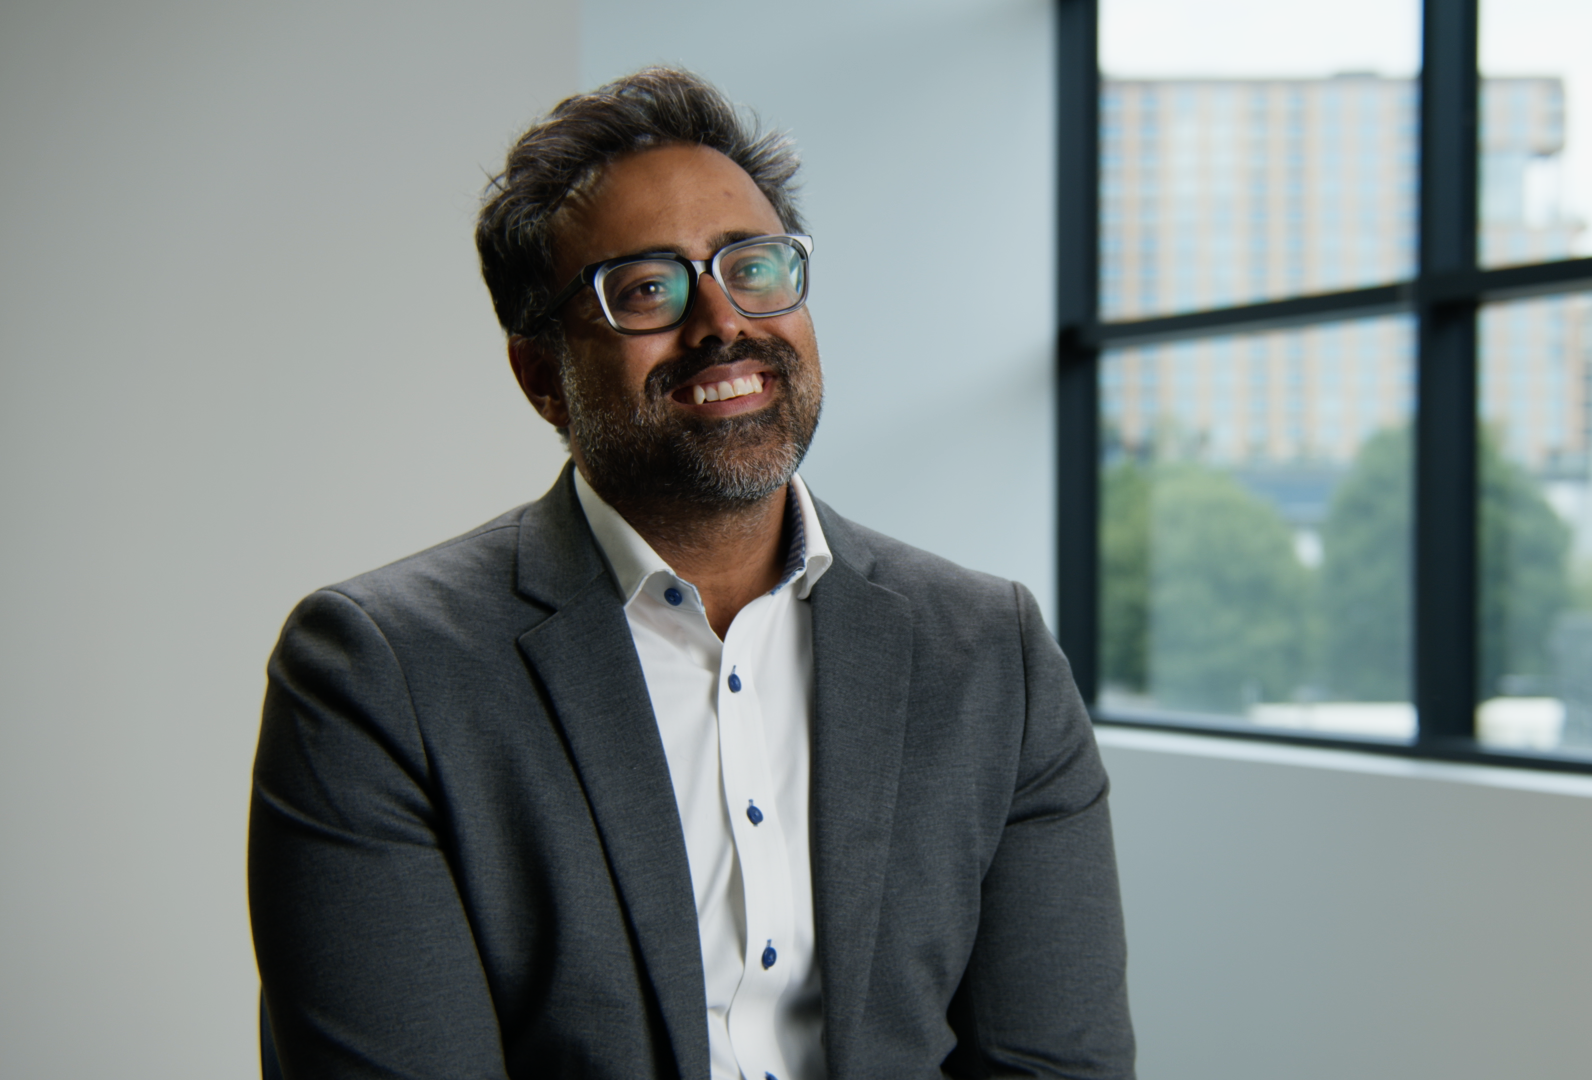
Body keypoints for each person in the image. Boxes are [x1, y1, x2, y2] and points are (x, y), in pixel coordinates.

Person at [248, 67, 1134, 1080]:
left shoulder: (988, 654)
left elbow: (1059, 1066)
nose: (723, 322)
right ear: (542, 376)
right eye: (647, 290)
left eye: (753, 268)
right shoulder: (378, 674)